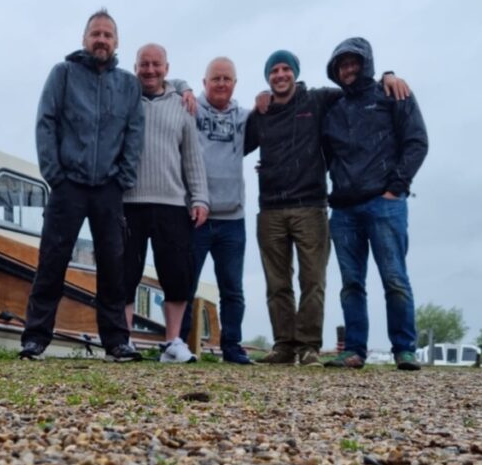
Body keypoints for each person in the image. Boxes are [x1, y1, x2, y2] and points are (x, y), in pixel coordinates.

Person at [246, 50, 409, 367]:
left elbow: (356, 88)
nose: (280, 75)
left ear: (295, 72)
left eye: (285, 69)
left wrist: (387, 76)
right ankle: (283, 345)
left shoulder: (318, 100)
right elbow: (236, 147)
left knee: (312, 281)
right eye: (274, 71)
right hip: (270, 208)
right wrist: (257, 101)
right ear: (267, 77)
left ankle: (308, 346)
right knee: (277, 283)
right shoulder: (261, 113)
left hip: (311, 205)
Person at [19, 9, 142, 362]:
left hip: (108, 188)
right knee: (52, 261)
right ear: (84, 39)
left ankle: (117, 341)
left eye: (107, 35)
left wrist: (123, 179)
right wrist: (54, 173)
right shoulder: (63, 74)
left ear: (116, 43)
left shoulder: (128, 85)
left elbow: (134, 134)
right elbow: (46, 123)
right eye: (95, 34)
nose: (101, 40)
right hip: (67, 184)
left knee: (113, 267)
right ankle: (35, 338)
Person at [321, 38, 428, 371]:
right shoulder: (333, 109)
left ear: (366, 63)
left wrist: (396, 188)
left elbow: (417, 141)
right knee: (351, 284)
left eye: (354, 62)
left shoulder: (391, 94)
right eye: (342, 65)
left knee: (395, 278)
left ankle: (404, 349)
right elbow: (321, 154)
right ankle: (354, 350)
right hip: (344, 209)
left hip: (385, 204)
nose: (348, 69)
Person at [122, 43, 208, 364]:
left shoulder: (182, 105)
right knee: (125, 273)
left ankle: (173, 342)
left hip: (172, 202)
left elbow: (193, 159)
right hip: (128, 201)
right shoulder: (125, 101)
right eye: (144, 64)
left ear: (166, 68)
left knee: (176, 274)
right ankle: (123, 341)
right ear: (136, 67)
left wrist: (199, 198)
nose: (150, 70)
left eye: (156, 64)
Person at [179, 57, 256, 365]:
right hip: (197, 215)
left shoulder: (246, 118)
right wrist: (182, 87)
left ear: (235, 83)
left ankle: (232, 346)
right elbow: (164, 85)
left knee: (232, 289)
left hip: (233, 218)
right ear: (204, 83)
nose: (221, 84)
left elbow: (281, 113)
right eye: (216, 79)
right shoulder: (190, 108)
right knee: (185, 285)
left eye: (227, 79)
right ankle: (179, 344)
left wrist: (264, 101)